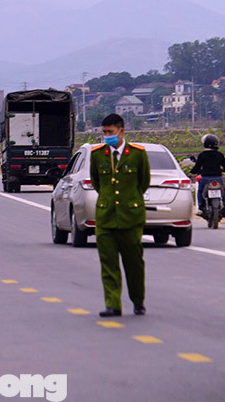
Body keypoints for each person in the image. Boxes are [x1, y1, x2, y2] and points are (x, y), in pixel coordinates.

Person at [89, 114, 151, 317]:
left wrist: (129, 201)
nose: (107, 136)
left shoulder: (137, 154)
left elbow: (143, 182)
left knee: (134, 264)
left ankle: (137, 300)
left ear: (121, 131)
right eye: (104, 132)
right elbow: (98, 183)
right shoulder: (97, 154)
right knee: (108, 264)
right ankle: (112, 304)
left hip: (130, 218)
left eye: (110, 132)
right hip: (106, 218)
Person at [190, 134, 225, 215]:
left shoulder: (202, 155)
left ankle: (201, 207)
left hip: (205, 178)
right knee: (224, 189)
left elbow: (196, 168)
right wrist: (222, 170)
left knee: (200, 191)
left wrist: (192, 172)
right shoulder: (220, 155)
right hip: (218, 177)